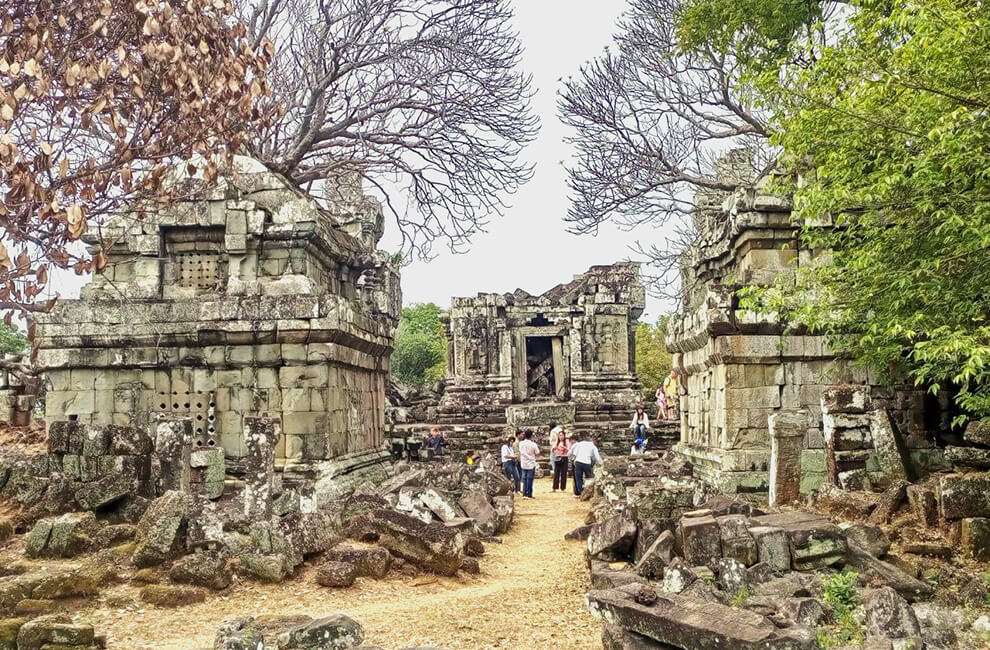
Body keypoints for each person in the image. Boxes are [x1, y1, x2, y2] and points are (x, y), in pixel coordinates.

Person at [568, 432, 602, 497]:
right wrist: (601, 464)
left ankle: (581, 492)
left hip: (578, 462)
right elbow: (597, 457)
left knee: (578, 478)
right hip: (587, 463)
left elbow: (569, 453)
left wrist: (573, 459)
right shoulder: (592, 446)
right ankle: (589, 492)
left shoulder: (578, 444)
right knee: (589, 478)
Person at [518, 429, 539, 498]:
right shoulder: (533, 444)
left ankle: (524, 493)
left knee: (524, 478)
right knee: (530, 479)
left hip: (523, 463)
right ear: (531, 436)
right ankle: (529, 493)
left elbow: (521, 452)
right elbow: (537, 453)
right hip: (531, 463)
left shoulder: (521, 443)